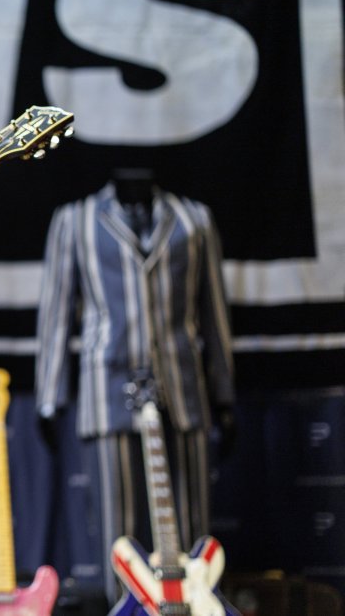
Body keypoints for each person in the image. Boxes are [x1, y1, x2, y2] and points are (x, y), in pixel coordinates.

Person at [34, 167, 235, 606]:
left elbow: (214, 311)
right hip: (107, 387)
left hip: (183, 387)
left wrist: (224, 394)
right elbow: (56, 312)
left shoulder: (194, 219)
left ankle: (195, 610)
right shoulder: (75, 219)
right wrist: (50, 396)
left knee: (194, 532)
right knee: (119, 534)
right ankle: (123, 610)